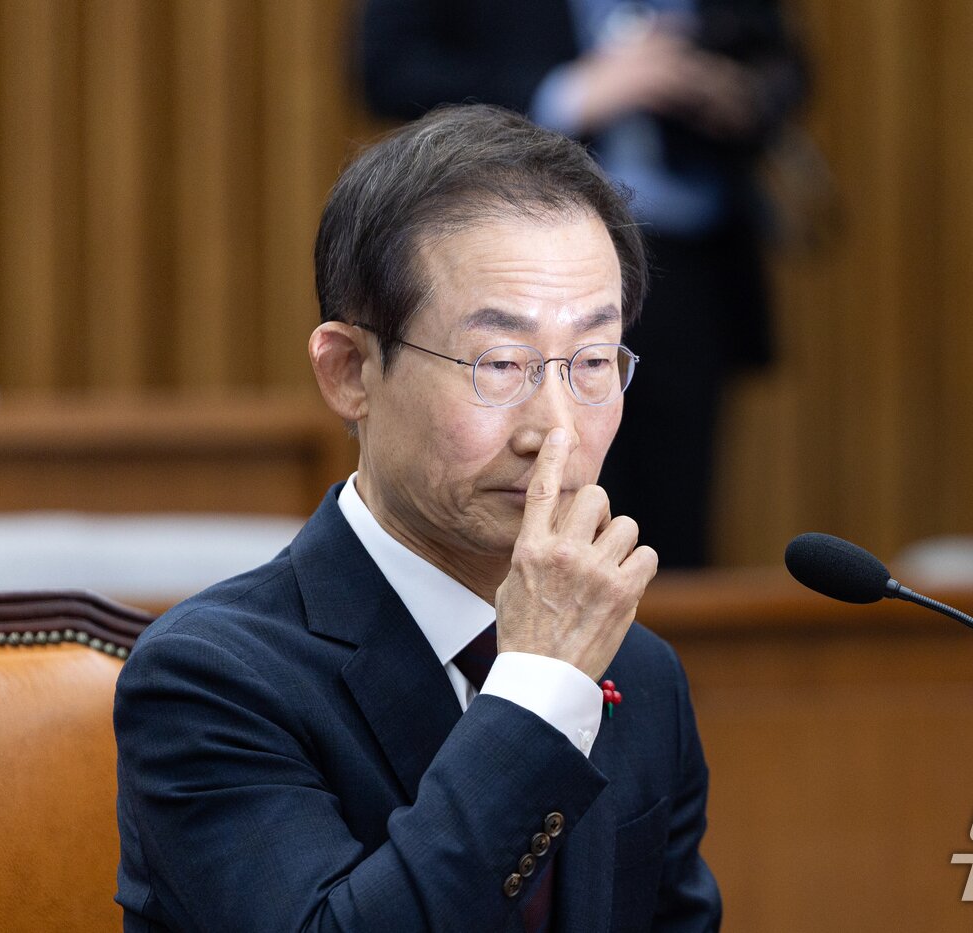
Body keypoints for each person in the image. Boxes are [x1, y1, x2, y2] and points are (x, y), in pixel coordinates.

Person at [114, 105, 721, 932]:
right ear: (350, 371)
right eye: (500, 363)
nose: (555, 431)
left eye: (589, 362)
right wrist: (539, 691)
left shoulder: (638, 674)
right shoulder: (211, 677)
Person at [361, 0, 806, 567]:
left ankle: (645, 651)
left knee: (672, 526)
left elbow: (784, 68)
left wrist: (731, 91)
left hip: (693, 264)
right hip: (513, 255)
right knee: (534, 501)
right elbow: (391, 69)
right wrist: (569, 93)